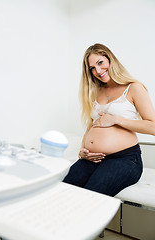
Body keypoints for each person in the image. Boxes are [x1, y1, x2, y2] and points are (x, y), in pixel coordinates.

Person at [63, 43, 155, 197]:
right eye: (92, 68)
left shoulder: (134, 88)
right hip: (94, 159)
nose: (97, 71)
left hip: (124, 159)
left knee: (88, 196)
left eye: (100, 63)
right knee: (63, 190)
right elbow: (92, 124)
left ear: (110, 60)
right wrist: (83, 150)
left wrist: (116, 120)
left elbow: (152, 127)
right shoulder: (96, 91)